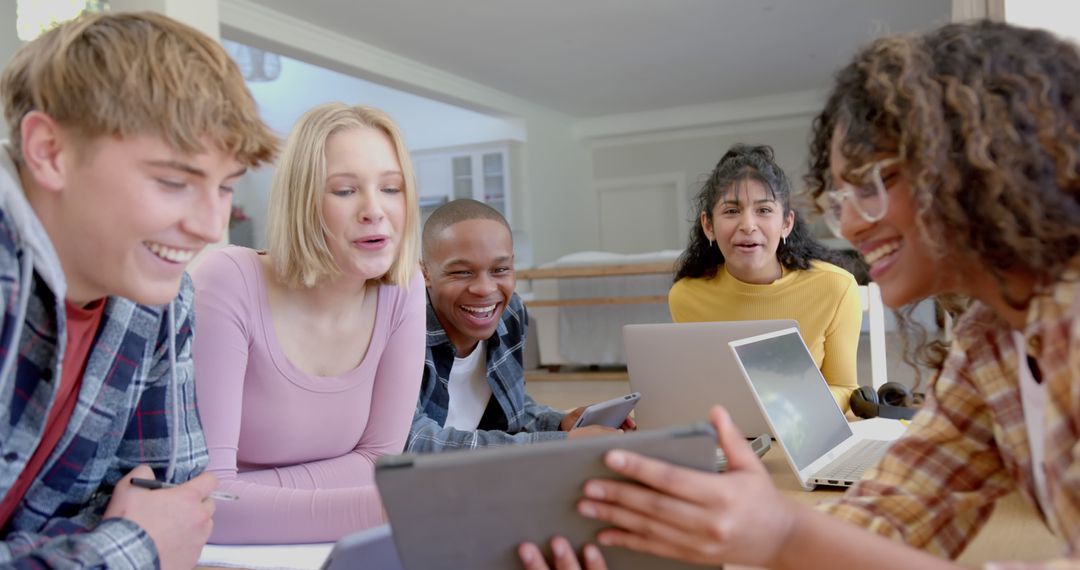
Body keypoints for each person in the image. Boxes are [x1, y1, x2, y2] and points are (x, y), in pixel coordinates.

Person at [519, 19, 1080, 569]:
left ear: (973, 168)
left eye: (870, 185)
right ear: (708, 225)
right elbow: (899, 509)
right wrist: (726, 537)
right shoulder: (990, 343)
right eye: (840, 197)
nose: (852, 225)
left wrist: (783, 535)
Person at [0, 11, 277, 569]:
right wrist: (127, 547)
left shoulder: (159, 296)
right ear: (49, 151)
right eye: (173, 182)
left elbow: (176, 506)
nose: (208, 225)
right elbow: (150, 538)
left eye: (224, 187)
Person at [191, 103, 425, 543]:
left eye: (391, 188)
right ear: (302, 200)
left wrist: (245, 494)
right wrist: (394, 505)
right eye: (344, 191)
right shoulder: (227, 281)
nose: (375, 210)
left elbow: (378, 459)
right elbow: (206, 505)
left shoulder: (405, 287)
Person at [407, 199, 631, 452]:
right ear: (424, 273)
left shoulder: (511, 313)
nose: (485, 289)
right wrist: (555, 445)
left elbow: (512, 406)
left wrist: (559, 424)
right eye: (461, 272)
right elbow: (414, 441)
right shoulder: (403, 332)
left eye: (500, 269)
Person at [668, 144, 862, 410]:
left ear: (786, 224)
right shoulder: (685, 295)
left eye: (764, 210)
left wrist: (788, 408)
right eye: (731, 211)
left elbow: (845, 389)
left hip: (803, 432)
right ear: (708, 226)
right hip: (725, 435)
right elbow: (697, 388)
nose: (748, 225)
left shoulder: (836, 287)